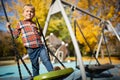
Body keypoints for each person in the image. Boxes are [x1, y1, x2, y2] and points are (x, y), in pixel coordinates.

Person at [6, 4, 53, 77]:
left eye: (31, 11)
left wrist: (40, 31)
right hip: (30, 48)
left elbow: (38, 35)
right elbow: (15, 35)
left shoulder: (34, 24)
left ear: (33, 14)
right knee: (35, 65)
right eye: (27, 11)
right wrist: (9, 29)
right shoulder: (20, 23)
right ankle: (36, 77)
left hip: (40, 46)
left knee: (46, 60)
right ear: (23, 13)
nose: (29, 13)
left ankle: (52, 73)